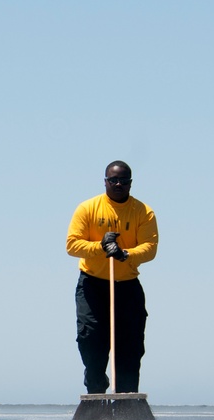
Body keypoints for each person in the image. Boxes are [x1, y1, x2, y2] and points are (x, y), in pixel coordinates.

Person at [66, 160, 158, 394]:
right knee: (91, 340)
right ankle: (96, 390)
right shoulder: (87, 208)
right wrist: (102, 247)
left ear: (130, 183)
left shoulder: (143, 212)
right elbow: (72, 245)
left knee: (130, 345)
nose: (118, 184)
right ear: (105, 181)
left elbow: (150, 248)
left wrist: (125, 254)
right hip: (92, 284)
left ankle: (127, 399)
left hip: (126, 286)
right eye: (113, 180)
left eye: (123, 181)